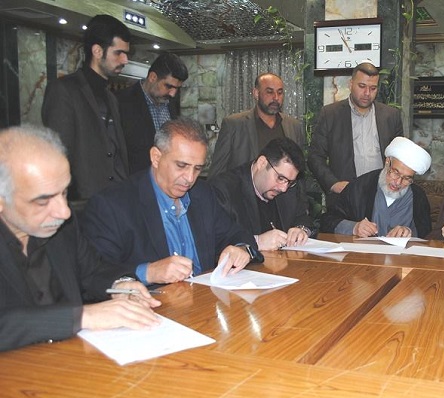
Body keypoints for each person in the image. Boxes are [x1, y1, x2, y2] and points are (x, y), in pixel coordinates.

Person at [0, 125, 160, 352]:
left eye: (64, 192)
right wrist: (81, 316)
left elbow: (93, 270)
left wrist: (120, 285)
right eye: (43, 201)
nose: (64, 212)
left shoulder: (62, 226)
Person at [81, 118, 262, 286]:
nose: (189, 178)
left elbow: (237, 233)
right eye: (181, 166)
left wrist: (241, 249)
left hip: (203, 300)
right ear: (156, 157)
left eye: (197, 169)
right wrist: (148, 272)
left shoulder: (202, 194)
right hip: (152, 304)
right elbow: (94, 274)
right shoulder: (113, 205)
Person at [42, 14, 131, 203]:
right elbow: (58, 152)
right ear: (97, 51)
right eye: (118, 53)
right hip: (83, 202)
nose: (125, 60)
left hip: (117, 199)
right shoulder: (64, 90)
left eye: (126, 54)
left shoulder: (111, 98)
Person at [308, 62, 403, 205]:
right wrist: (333, 184)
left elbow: (400, 158)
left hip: (382, 196)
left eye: (373, 88)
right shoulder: (330, 114)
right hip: (345, 197)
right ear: (351, 84)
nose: (367, 93)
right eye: (362, 86)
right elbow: (315, 156)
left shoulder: (390, 116)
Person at [208, 137, 313, 251]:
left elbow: (303, 218)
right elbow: (215, 241)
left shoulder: (289, 187)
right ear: (262, 163)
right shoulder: (224, 190)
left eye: (290, 182)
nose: (283, 188)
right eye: (280, 178)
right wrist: (257, 242)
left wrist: (301, 230)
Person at [320, 137, 432, 238]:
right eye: (395, 172)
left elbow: (427, 233)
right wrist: (354, 227)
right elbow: (327, 221)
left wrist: (409, 232)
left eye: (407, 178)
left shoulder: (418, 197)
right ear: (387, 162)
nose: (398, 182)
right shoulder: (360, 187)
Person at [209, 72, 304, 177]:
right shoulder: (233, 125)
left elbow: (299, 168)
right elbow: (217, 172)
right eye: (269, 92)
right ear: (256, 93)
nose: (276, 97)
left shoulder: (293, 126)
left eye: (280, 93)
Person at [116, 52, 188, 173]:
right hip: (135, 178)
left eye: (177, 88)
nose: (173, 94)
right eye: (169, 86)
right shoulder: (121, 102)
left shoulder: (171, 103)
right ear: (152, 77)